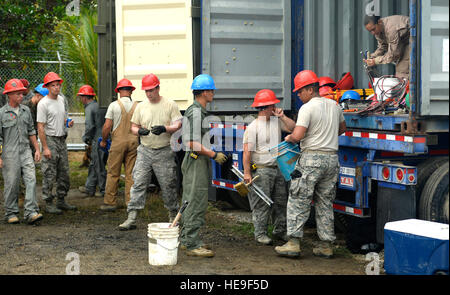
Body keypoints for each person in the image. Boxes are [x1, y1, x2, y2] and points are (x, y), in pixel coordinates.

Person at [274, 70, 346, 258]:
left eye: (299, 91)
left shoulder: (307, 108)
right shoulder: (334, 105)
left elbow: (297, 135)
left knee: (299, 199)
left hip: (311, 159)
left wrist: (290, 137)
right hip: (331, 159)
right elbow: (342, 129)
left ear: (309, 89)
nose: (298, 95)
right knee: (325, 202)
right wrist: (326, 138)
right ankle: (326, 245)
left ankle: (293, 243)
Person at [119, 74, 182, 230]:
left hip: (164, 151)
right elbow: (133, 126)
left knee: (168, 184)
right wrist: (139, 131)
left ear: (158, 88)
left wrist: (165, 129)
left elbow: (178, 124)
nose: (149, 94)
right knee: (138, 182)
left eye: (151, 90)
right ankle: (131, 216)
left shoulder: (170, 105)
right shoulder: (141, 106)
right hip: (145, 151)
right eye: (146, 91)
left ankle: (173, 216)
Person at [179, 74, 228, 257]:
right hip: (196, 161)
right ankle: (192, 243)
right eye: (211, 90)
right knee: (196, 200)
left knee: (190, 199)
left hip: (196, 160)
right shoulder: (197, 112)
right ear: (205, 92)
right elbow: (191, 142)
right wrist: (213, 154)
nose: (213, 93)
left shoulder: (196, 110)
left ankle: (186, 239)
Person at [242, 89, 295, 245]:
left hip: (277, 168)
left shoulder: (276, 121)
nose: (275, 107)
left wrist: (283, 116)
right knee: (261, 202)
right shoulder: (253, 127)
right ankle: (260, 233)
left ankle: (280, 231)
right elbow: (247, 152)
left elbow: (293, 128)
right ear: (265, 107)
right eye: (272, 105)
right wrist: (247, 173)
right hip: (261, 169)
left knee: (281, 201)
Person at [0, 79, 43, 224]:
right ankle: (11, 212)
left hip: (25, 151)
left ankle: (31, 212)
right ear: (10, 95)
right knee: (12, 182)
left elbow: (31, 131)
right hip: (9, 154)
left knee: (31, 179)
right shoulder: (2, 114)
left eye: (22, 93)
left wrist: (37, 149)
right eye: (18, 93)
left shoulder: (26, 111)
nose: (22, 96)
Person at [37, 72, 77, 214]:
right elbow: (40, 127)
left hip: (61, 139)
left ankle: (61, 199)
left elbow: (64, 116)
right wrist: (45, 147)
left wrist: (68, 122)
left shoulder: (61, 99)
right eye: (53, 85)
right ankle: (48, 202)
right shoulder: (43, 104)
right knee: (49, 172)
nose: (56, 88)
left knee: (64, 171)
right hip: (50, 139)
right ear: (47, 87)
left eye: (58, 85)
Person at [99, 78, 139, 211]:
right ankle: (130, 202)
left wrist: (104, 140)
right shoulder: (137, 106)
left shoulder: (114, 105)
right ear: (131, 91)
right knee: (131, 174)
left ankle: (110, 202)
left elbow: (107, 126)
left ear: (119, 91)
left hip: (117, 143)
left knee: (113, 173)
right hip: (134, 142)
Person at [77, 85, 106, 198]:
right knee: (94, 164)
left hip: (97, 140)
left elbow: (90, 126)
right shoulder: (98, 105)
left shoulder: (89, 108)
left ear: (85, 97)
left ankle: (104, 190)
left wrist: (86, 138)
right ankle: (90, 187)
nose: (80, 100)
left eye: (81, 97)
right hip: (104, 138)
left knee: (99, 165)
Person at [363, 15, 410, 80]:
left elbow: (393, 55)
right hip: (404, 42)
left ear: (379, 22)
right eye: (370, 31)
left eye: (373, 29)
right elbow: (383, 46)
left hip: (414, 39)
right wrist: (372, 56)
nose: (373, 33)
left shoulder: (391, 29)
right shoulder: (378, 30)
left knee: (402, 72)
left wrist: (375, 61)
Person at [23, 83, 48, 158]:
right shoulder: (24, 107)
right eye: (45, 98)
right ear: (38, 96)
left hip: (33, 139)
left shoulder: (39, 107)